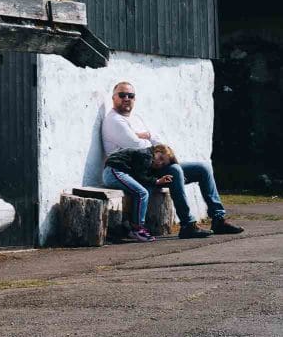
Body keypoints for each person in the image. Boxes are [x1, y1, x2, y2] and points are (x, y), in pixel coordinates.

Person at [102, 80, 244, 239]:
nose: (127, 98)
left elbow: (159, 143)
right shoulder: (114, 120)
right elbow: (137, 146)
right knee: (175, 170)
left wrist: (145, 137)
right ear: (114, 98)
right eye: (122, 95)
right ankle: (188, 225)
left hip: (154, 165)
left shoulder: (136, 118)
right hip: (134, 171)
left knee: (203, 168)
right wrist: (145, 137)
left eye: (131, 95)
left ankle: (218, 219)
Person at [102, 143, 177, 242]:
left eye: (163, 163)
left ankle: (131, 226)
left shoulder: (148, 158)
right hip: (114, 171)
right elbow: (140, 176)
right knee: (142, 193)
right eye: (161, 158)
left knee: (144, 190)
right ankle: (137, 229)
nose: (160, 163)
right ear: (157, 151)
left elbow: (142, 176)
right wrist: (157, 181)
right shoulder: (146, 155)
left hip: (114, 172)